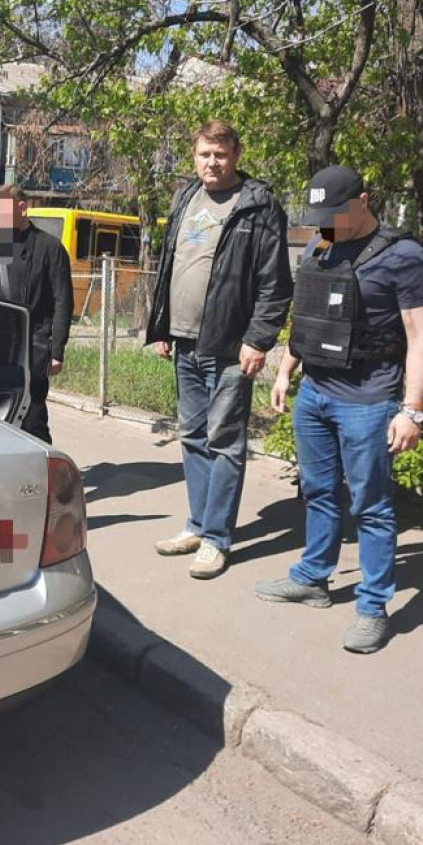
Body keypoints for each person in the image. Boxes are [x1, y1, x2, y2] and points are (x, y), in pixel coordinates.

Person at [254, 165, 423, 654]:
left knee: (371, 507)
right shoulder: (324, 243)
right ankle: (312, 578)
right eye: (321, 216)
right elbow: (310, 316)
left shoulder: (403, 256)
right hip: (315, 393)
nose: (326, 224)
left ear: (364, 200)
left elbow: (421, 338)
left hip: (369, 401)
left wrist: (412, 409)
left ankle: (372, 607)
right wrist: (285, 370)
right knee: (317, 492)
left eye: (336, 214)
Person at [146, 120, 293, 580]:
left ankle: (216, 539)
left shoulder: (258, 205)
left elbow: (275, 282)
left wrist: (258, 339)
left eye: (220, 154)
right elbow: (171, 263)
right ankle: (197, 525)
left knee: (224, 442)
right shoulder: (186, 197)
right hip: (185, 340)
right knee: (192, 436)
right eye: (204, 154)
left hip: (230, 345)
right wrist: (163, 325)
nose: (212, 163)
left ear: (236, 155)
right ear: (194, 156)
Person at [0, 183, 72, 444]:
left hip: (33, 347)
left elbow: (63, 301)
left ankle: (44, 466)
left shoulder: (49, 247)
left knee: (32, 418)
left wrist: (56, 351)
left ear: (22, 208)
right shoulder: (0, 247)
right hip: (0, 348)